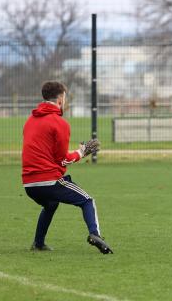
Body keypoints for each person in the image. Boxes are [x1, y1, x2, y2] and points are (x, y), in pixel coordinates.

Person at [22, 81, 113, 254]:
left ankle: (38, 243)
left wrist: (78, 152)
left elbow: (46, 155)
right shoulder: (59, 123)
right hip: (48, 181)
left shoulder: (30, 120)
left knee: (51, 204)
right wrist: (81, 152)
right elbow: (62, 160)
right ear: (61, 98)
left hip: (28, 184)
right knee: (87, 201)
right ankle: (95, 234)